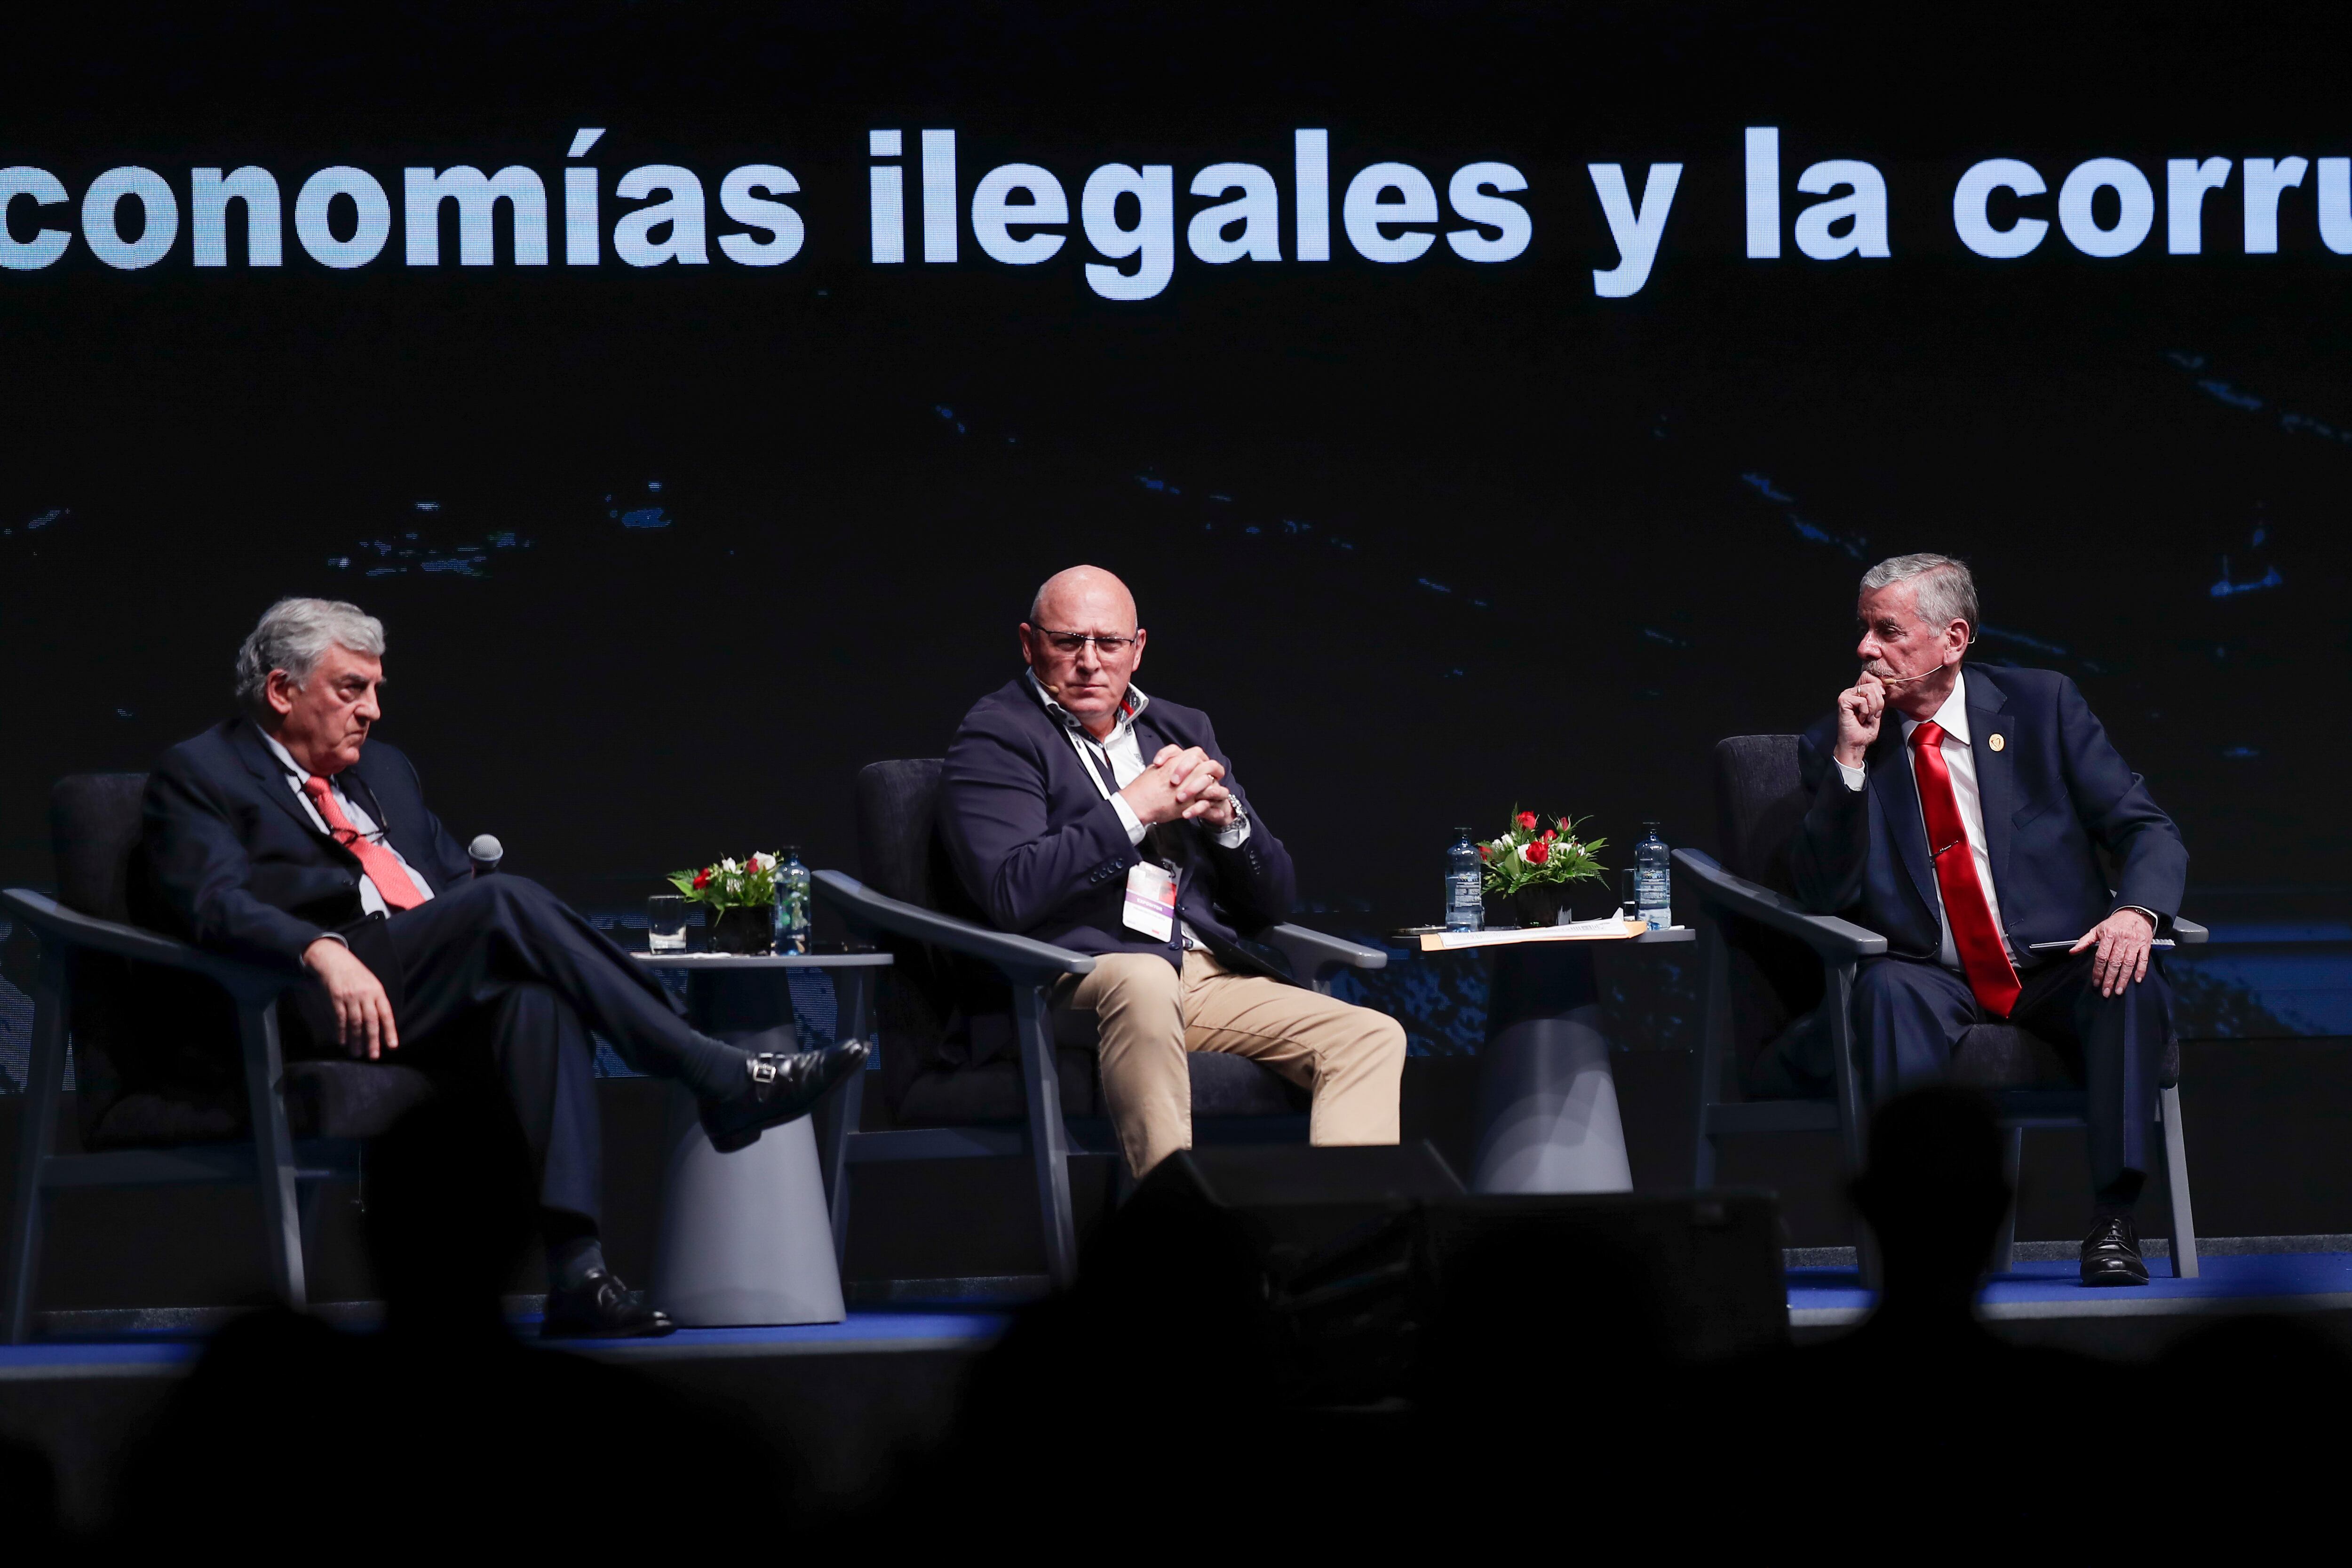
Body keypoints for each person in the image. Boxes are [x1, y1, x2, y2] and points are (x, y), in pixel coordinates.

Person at [134, 597, 865, 1336]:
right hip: (315, 996)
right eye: (351, 689)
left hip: (423, 983)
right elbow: (211, 903)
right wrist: (318, 947)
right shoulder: (202, 772)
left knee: (535, 1001)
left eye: (378, 690)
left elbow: (452, 885)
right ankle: (712, 1070)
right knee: (505, 904)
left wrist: (495, 921)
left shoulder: (384, 771)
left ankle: (578, 1273)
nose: (373, 711)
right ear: (282, 689)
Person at [1791, 554, 2187, 1286]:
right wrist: (1851, 761)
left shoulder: (2043, 706)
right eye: (1862, 630)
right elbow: (1820, 891)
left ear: (1954, 637)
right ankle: (1918, 1234)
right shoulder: (1840, 740)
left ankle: (2113, 1219)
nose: (1865, 650)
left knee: (2131, 977)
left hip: (2054, 962)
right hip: (1925, 968)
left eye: (1887, 631)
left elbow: (2147, 829)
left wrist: (2135, 911)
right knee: (1882, 993)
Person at [936, 565, 1405, 1177]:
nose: (1090, 662)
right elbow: (1011, 890)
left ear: (1138, 649)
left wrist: (1228, 822)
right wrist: (1133, 808)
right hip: (1071, 975)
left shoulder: (1183, 728)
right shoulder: (998, 734)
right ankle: (1175, 1240)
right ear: (1029, 643)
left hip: (1200, 972)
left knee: (1371, 1037)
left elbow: (1274, 902)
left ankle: (1347, 1251)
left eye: (1108, 643)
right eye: (1067, 642)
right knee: (1145, 980)